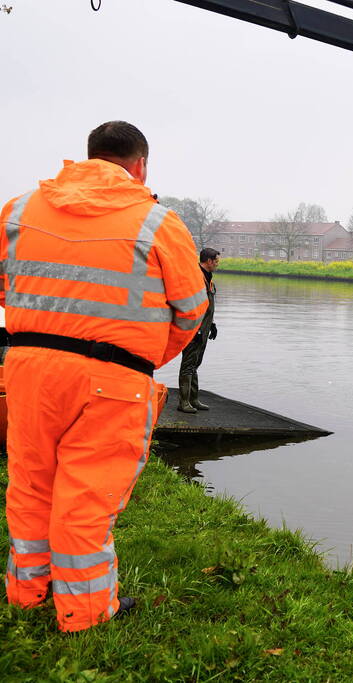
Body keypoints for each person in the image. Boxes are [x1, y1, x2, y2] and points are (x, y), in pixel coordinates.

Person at [1, 121, 208, 633]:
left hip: (27, 370)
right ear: (140, 165)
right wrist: (144, 357)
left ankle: (28, 593)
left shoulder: (21, 209)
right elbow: (191, 310)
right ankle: (85, 613)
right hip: (113, 382)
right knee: (86, 499)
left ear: (89, 156)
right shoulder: (158, 222)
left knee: (30, 485)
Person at [177, 247, 219, 413]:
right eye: (216, 261)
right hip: (193, 330)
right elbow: (190, 305)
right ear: (209, 261)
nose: (217, 264)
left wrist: (212, 324)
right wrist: (195, 329)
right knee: (188, 365)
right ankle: (184, 402)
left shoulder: (208, 278)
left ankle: (193, 399)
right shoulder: (195, 277)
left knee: (195, 364)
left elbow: (206, 306)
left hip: (204, 328)